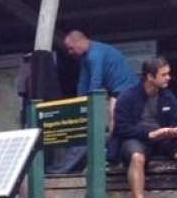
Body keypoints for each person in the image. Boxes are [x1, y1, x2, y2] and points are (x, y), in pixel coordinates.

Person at [113, 57, 177, 198]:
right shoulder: (128, 97)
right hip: (137, 138)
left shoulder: (168, 96)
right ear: (150, 77)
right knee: (137, 156)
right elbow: (122, 128)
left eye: (168, 74)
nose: (168, 77)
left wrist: (175, 130)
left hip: (163, 139)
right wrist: (148, 134)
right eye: (163, 74)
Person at [48, 31, 140, 174]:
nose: (70, 52)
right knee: (110, 125)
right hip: (116, 91)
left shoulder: (95, 54)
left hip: (127, 90)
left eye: (71, 48)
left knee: (115, 124)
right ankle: (110, 157)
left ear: (79, 42)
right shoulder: (85, 57)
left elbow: (95, 81)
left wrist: (90, 105)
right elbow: (83, 82)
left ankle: (113, 158)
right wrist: (78, 105)